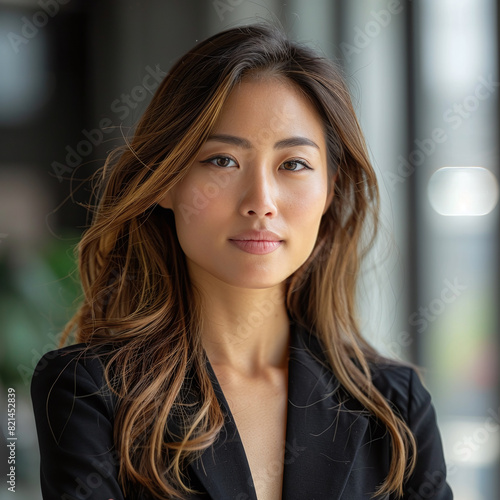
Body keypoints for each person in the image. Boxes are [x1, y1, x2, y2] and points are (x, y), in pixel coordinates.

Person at [31, 24, 453, 500]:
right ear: (166, 180)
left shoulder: (395, 405)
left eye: (293, 164)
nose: (261, 202)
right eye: (223, 161)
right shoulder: (89, 391)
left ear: (330, 191)